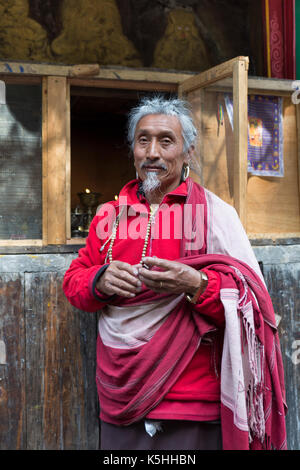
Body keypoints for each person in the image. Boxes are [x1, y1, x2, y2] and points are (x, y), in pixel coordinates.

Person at [63, 96, 287, 450]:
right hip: (121, 399)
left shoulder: (216, 214)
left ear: (189, 152)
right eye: (143, 140)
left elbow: (251, 306)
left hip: (193, 403)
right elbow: (74, 282)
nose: (153, 152)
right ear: (132, 149)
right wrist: (99, 280)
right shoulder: (109, 214)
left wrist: (197, 285)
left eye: (166, 141)